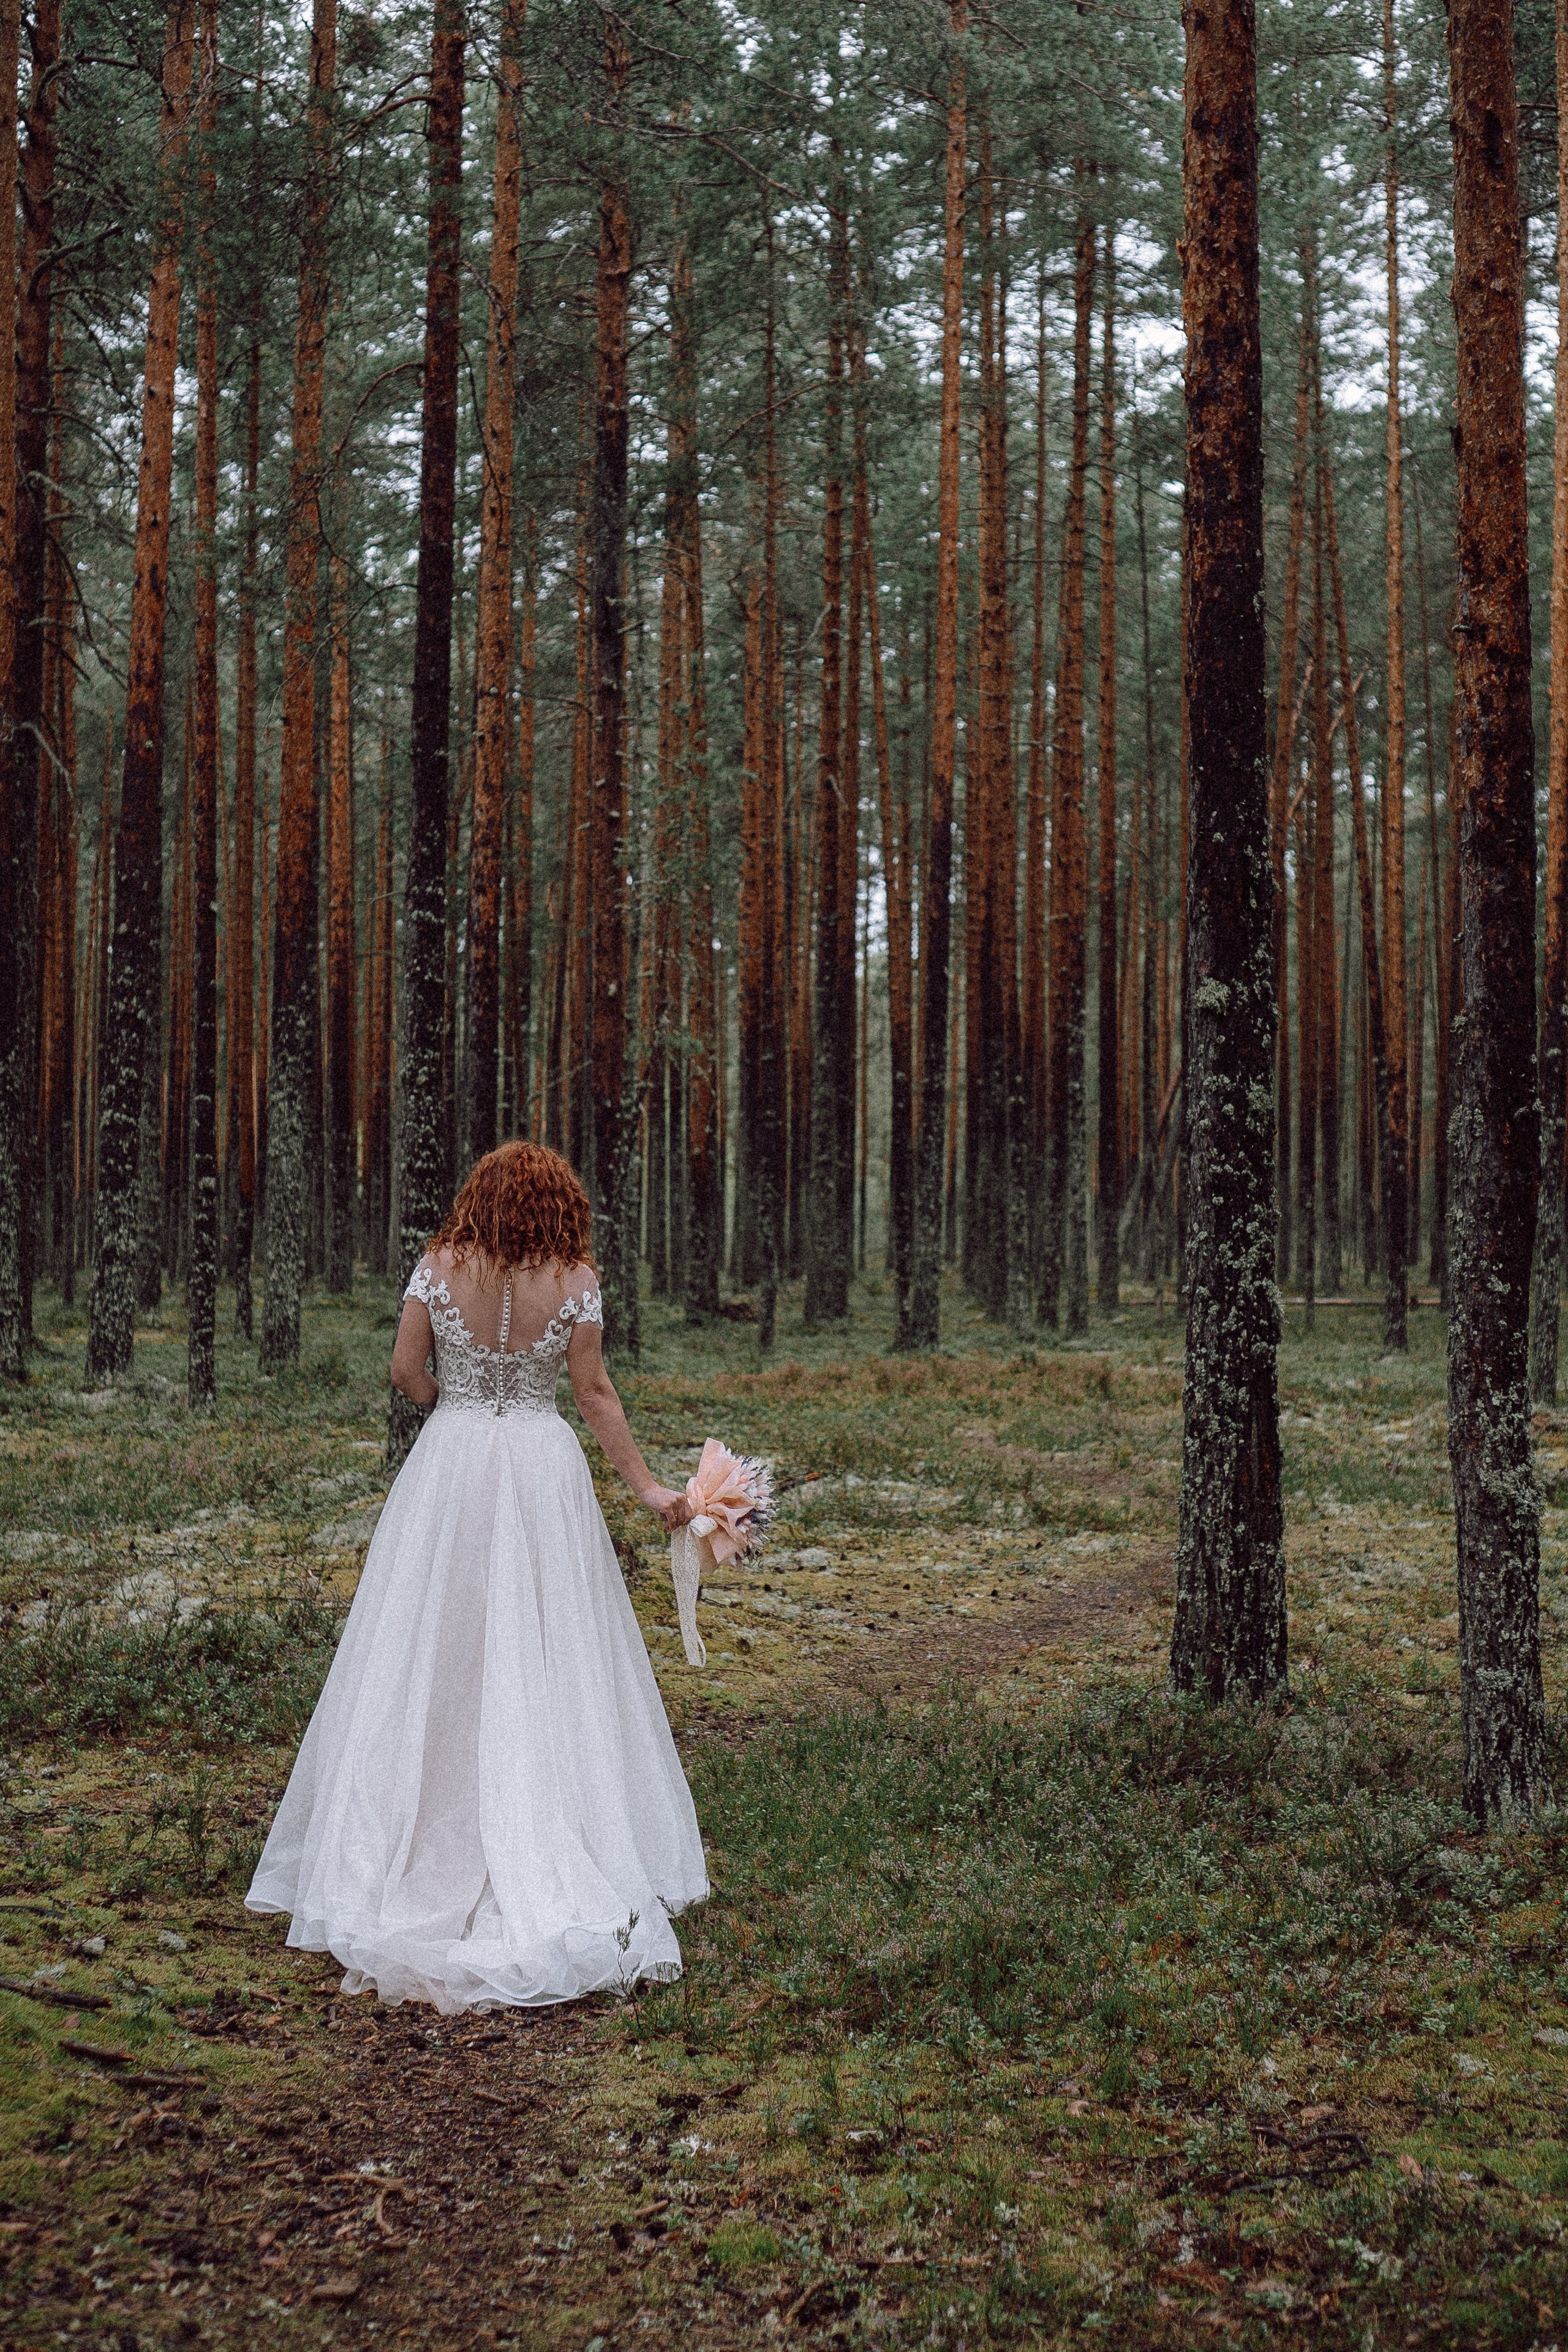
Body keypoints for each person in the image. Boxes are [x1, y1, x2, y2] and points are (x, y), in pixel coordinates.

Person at [247, 1140, 707, 2014]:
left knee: (432, 1645)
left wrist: (445, 1406)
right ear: (560, 1203)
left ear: (479, 1197)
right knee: (551, 1644)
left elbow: (403, 1371)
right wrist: (649, 1488)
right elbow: (596, 1391)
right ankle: (554, 1830)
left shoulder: (438, 1263)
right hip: (540, 1466)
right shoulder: (573, 1280)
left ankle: (413, 1836)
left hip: (452, 1465)